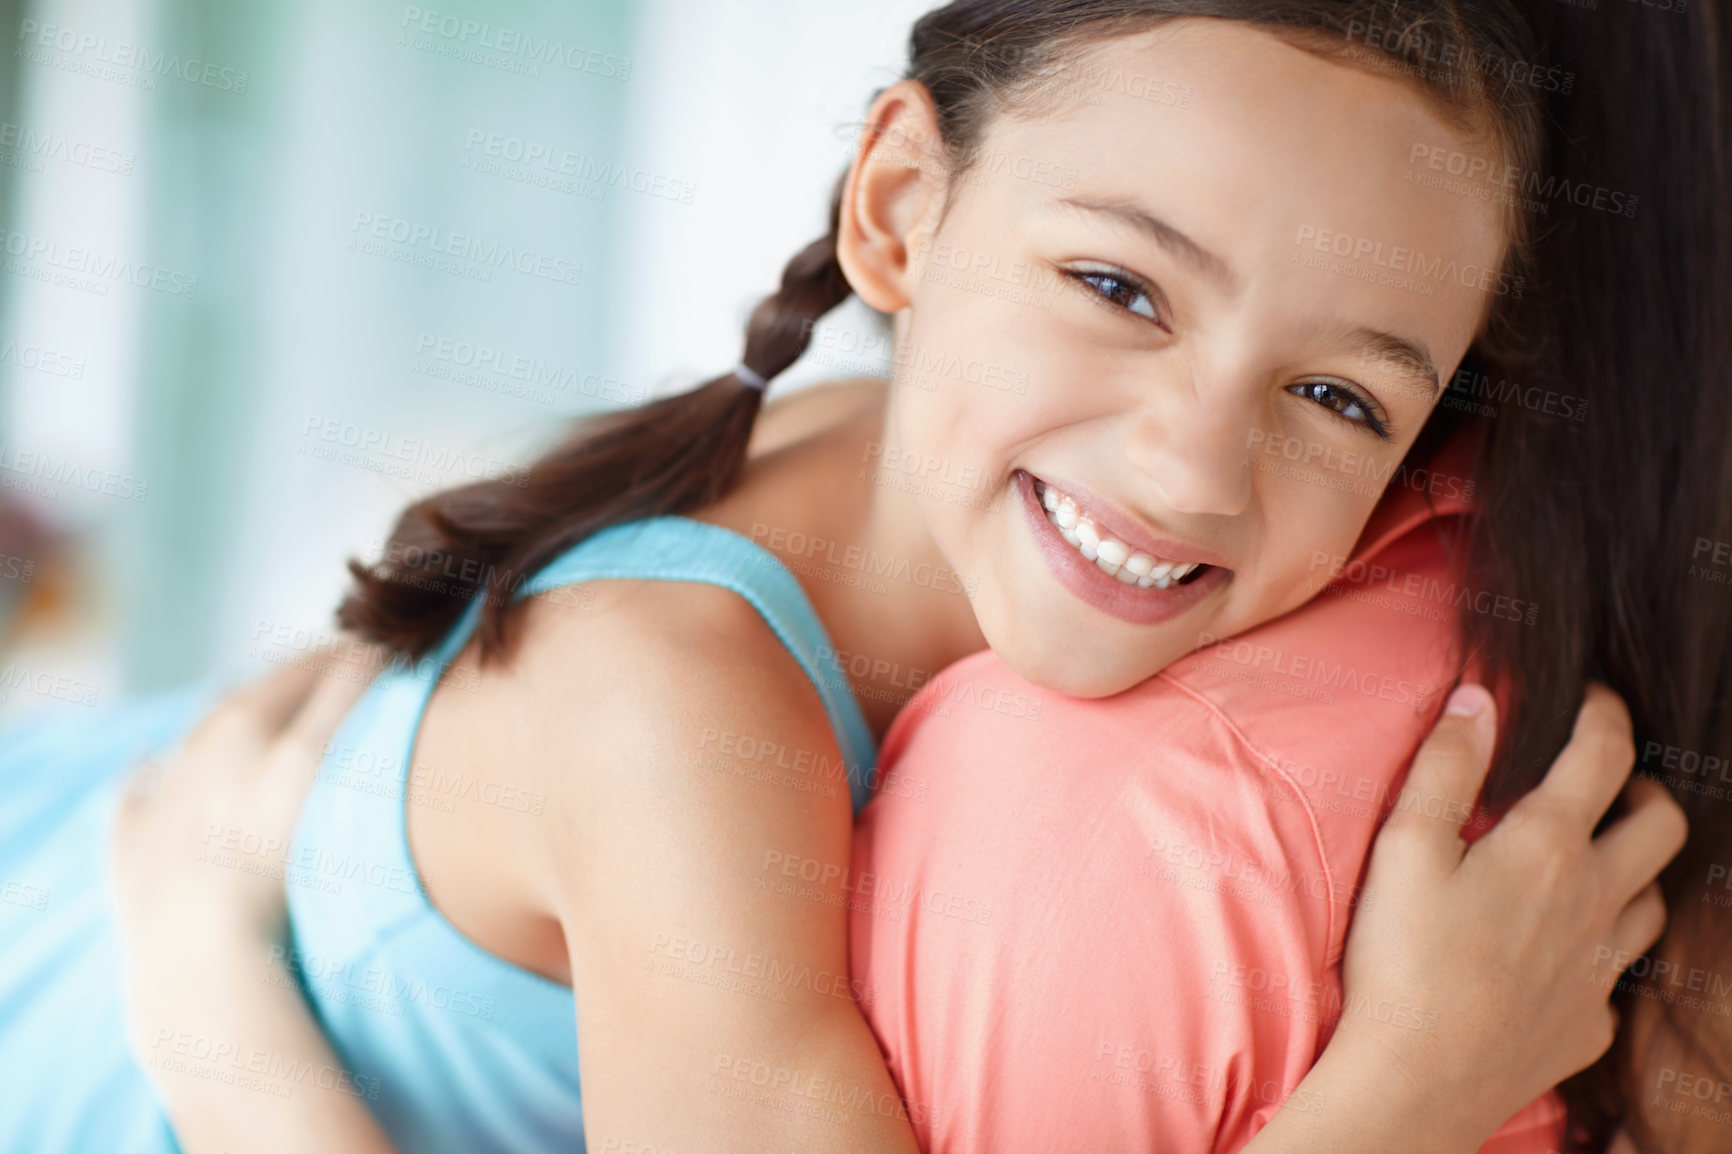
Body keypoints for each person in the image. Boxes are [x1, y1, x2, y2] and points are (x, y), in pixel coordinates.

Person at [0, 1, 1693, 1152]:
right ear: (898, 209)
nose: (1192, 464)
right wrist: (1403, 1093)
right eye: (1120, 286)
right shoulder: (675, 717)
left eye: (1337, 396)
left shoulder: (915, 452)